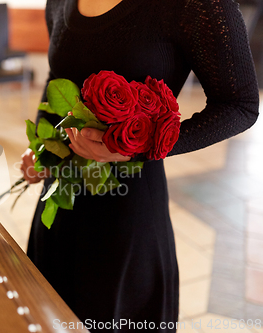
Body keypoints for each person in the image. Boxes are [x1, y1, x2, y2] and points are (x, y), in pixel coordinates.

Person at [20, 0, 260, 331]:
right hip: (61, 201)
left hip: (127, 216)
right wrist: (42, 149)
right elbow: (58, 75)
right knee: (48, 313)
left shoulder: (195, 6)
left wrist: (142, 146)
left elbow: (240, 105)